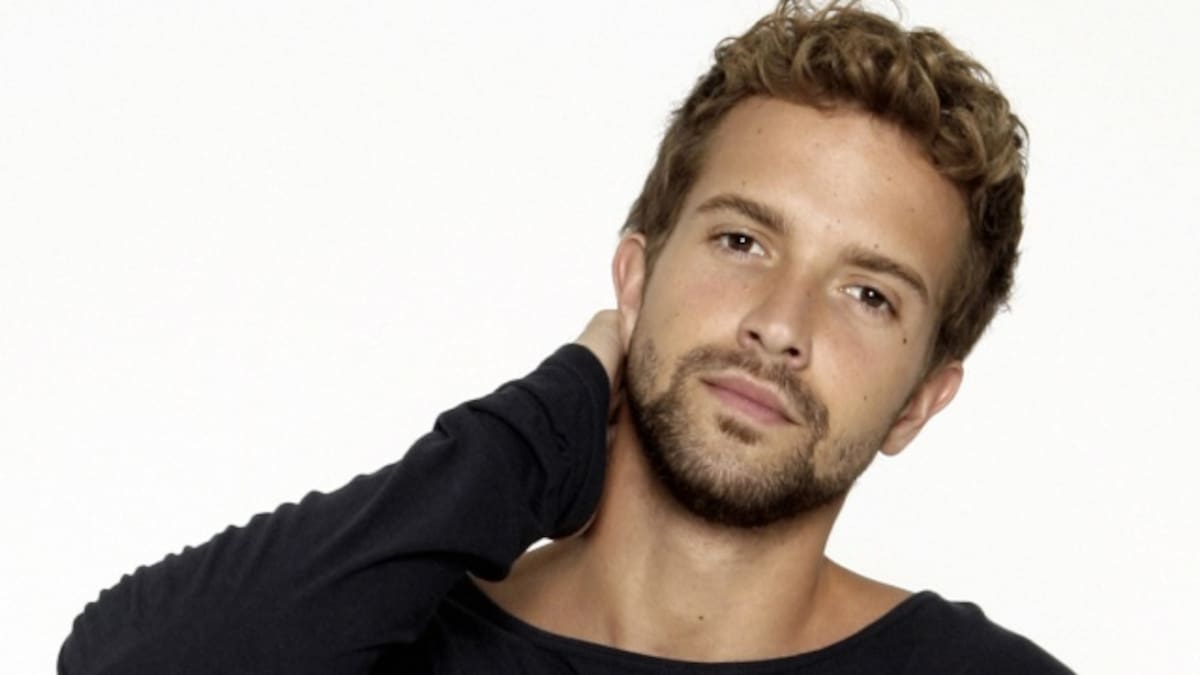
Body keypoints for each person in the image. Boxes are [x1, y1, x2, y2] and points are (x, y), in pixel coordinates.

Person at [59, 2, 1072, 672]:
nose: (780, 323)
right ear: (635, 275)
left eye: (868, 294)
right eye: (742, 240)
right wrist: (527, 443)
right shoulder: (379, 641)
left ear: (920, 401)